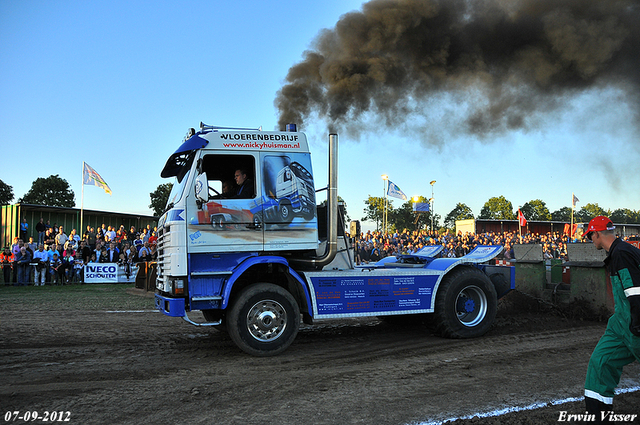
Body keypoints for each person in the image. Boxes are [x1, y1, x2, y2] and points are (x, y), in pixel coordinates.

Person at [583, 216, 640, 420]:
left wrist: (636, 323)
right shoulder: (619, 252)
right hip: (620, 324)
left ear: (597, 233)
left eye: (590, 236)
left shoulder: (622, 254)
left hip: (634, 323)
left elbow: (635, 291)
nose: (591, 240)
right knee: (600, 362)